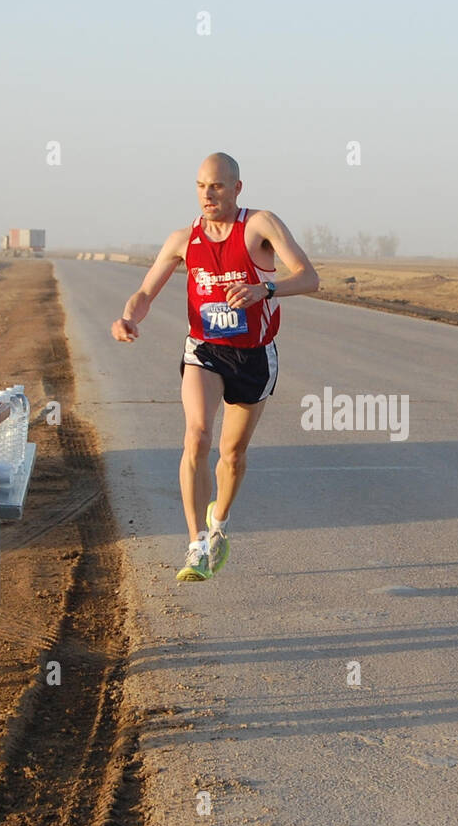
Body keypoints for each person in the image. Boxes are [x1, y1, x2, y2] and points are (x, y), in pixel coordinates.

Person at [111, 153, 320, 580]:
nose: (208, 193)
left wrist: (265, 288)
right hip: (204, 350)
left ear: (237, 188)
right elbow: (145, 292)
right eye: (201, 185)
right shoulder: (182, 239)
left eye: (218, 185)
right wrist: (129, 317)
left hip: (254, 355)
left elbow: (309, 277)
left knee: (232, 454)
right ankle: (196, 547)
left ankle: (219, 524)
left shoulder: (260, 225)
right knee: (197, 436)